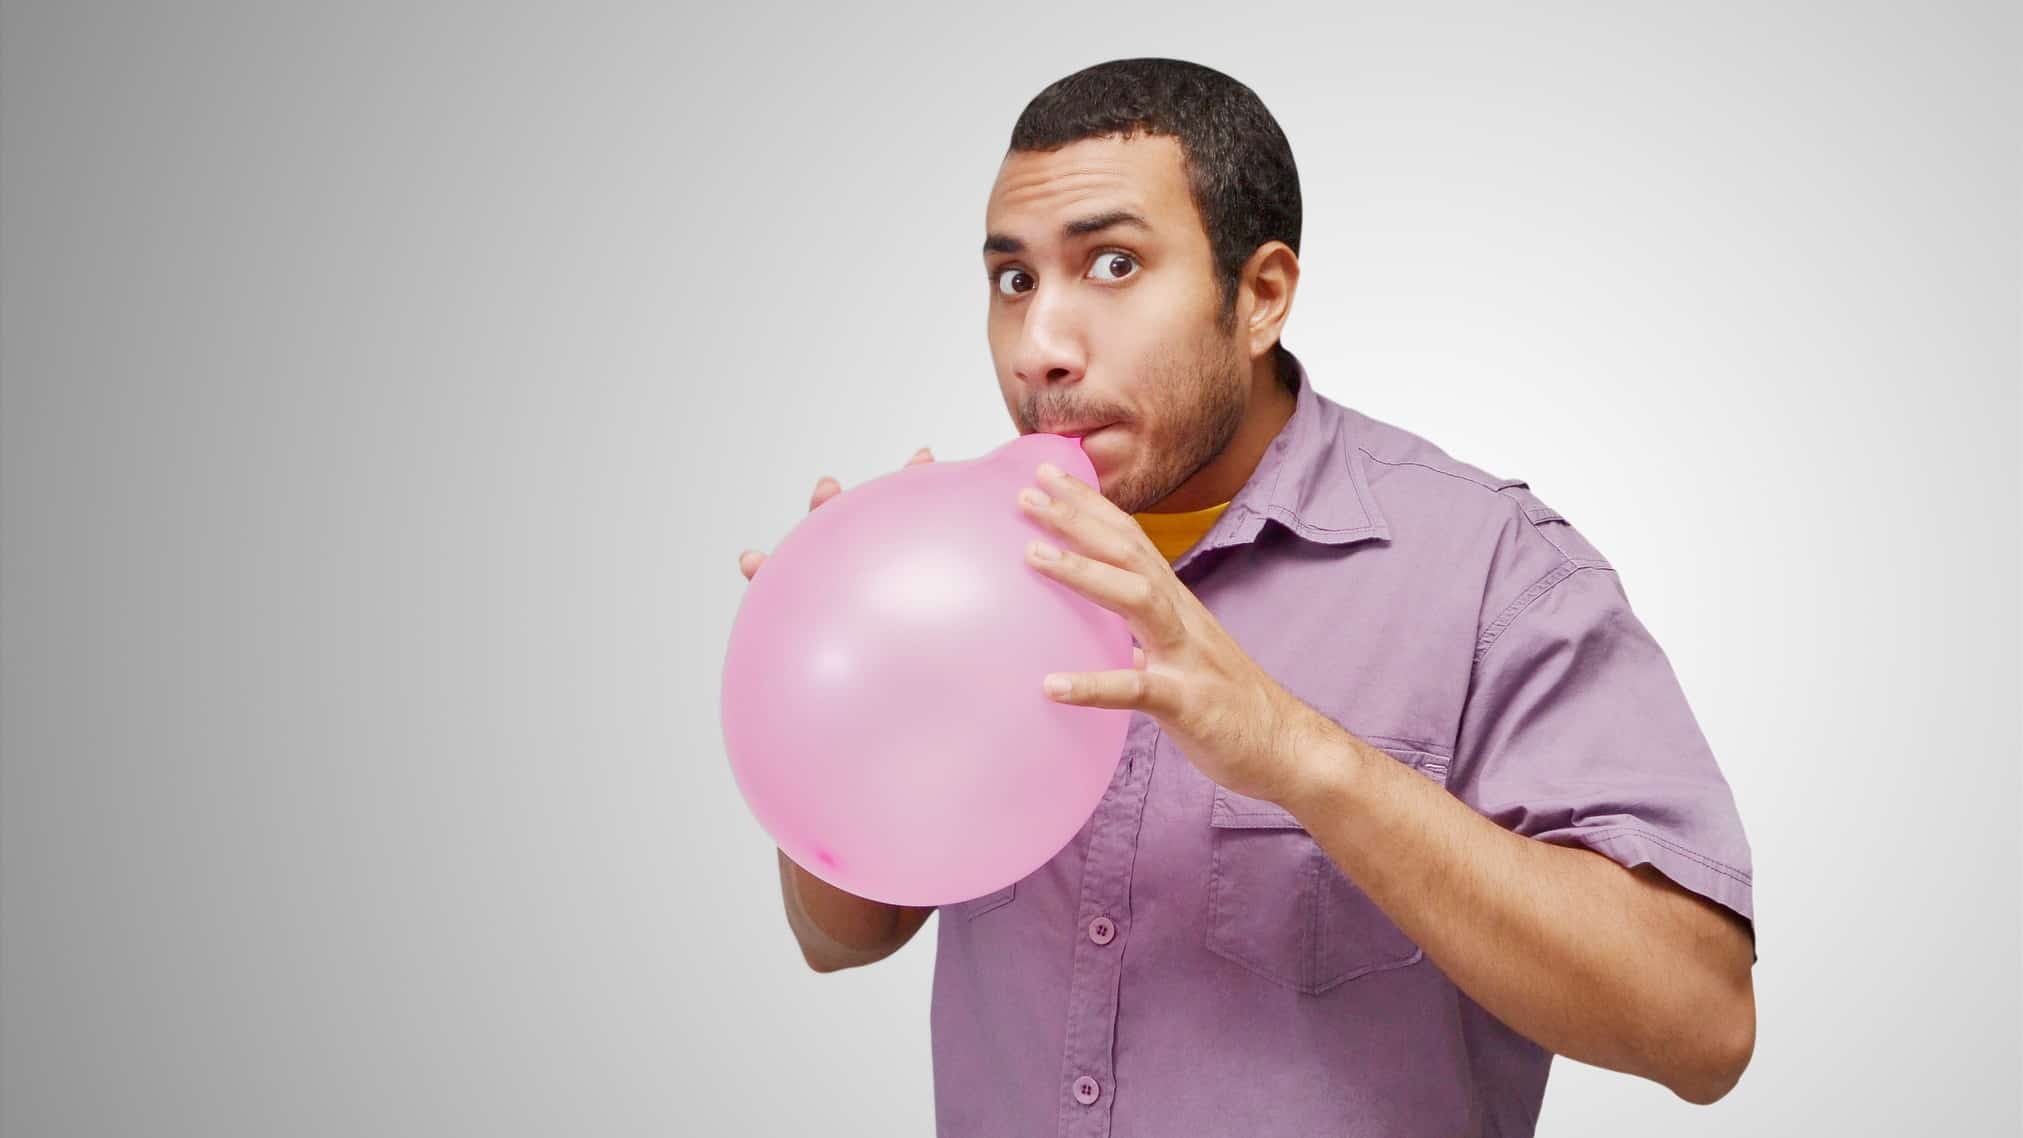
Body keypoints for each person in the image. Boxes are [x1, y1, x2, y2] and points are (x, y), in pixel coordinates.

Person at [737, 57, 1756, 1137]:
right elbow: (841, 936)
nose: (1040, 347)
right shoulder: (961, 562)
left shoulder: (1492, 571)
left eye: (1114, 264)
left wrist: (1293, 752)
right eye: (1015, 281)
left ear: (1260, 294)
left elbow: (1698, 1026)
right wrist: (846, 704)